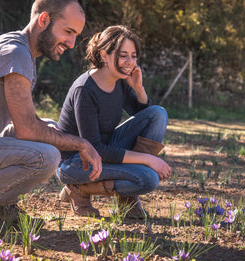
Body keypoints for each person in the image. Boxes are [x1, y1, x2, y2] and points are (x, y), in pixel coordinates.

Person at [0, 0, 102, 231]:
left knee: (49, 128)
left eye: (75, 35)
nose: (71, 43)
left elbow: (26, 124)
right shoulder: (15, 52)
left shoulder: (22, 51)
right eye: (68, 31)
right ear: (44, 20)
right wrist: (81, 143)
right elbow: (27, 129)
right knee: (45, 156)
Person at [57, 25, 171, 219]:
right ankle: (78, 189)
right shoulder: (85, 90)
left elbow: (145, 118)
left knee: (158, 114)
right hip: (76, 162)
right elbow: (95, 149)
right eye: (123, 55)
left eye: (134, 56)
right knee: (148, 178)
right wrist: (148, 159)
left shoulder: (119, 81)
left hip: (104, 151)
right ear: (104, 55)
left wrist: (138, 88)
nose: (130, 62)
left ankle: (127, 198)